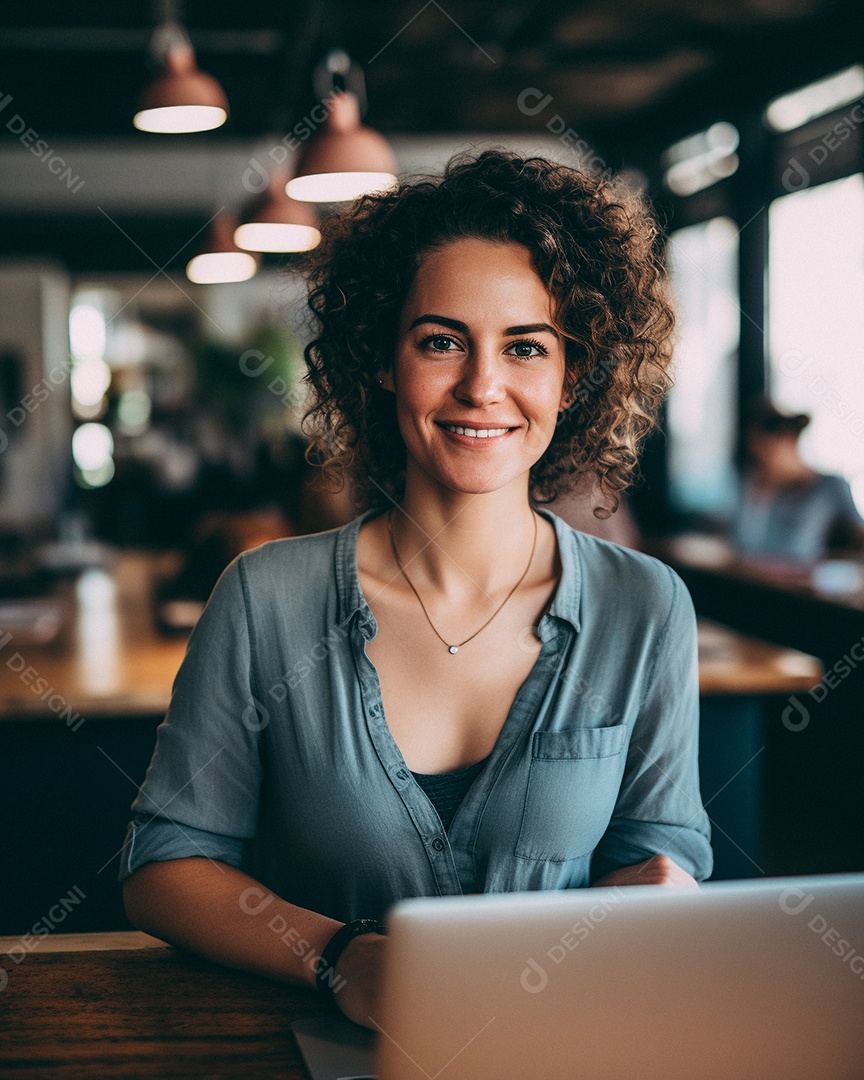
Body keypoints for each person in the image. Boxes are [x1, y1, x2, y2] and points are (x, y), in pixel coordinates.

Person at [121, 149, 712, 1030]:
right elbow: (165, 865)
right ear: (382, 360)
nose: (482, 386)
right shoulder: (265, 597)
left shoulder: (646, 606)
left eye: (526, 347)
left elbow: (663, 855)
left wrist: (671, 885)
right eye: (441, 341)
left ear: (572, 376)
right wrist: (336, 956)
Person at [732, 397, 864, 566]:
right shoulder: (757, 486)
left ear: (788, 440)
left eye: (766, 452)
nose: (760, 462)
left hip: (802, 587)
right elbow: (743, 545)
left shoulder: (830, 486)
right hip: (755, 582)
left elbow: (859, 536)